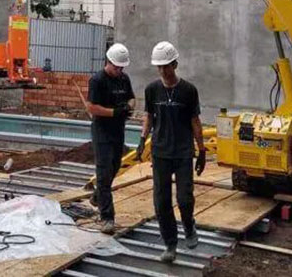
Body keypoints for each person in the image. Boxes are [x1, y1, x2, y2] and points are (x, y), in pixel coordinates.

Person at [137, 41, 206, 263]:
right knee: (161, 201)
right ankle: (170, 244)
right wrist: (142, 140)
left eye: (166, 66)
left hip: (183, 152)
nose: (162, 70)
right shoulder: (152, 90)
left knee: (184, 198)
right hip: (160, 153)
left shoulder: (188, 91)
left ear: (175, 64)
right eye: (159, 67)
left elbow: (195, 121)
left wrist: (202, 150)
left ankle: (189, 225)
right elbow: (148, 116)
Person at [85, 42, 135, 234]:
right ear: (108, 62)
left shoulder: (124, 79)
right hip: (102, 131)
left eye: (122, 67)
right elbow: (91, 107)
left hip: (118, 130)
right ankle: (107, 217)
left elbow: (132, 97)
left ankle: (98, 196)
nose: (119, 70)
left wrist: (128, 107)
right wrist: (114, 112)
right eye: (117, 67)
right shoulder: (97, 81)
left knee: (114, 167)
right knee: (104, 171)